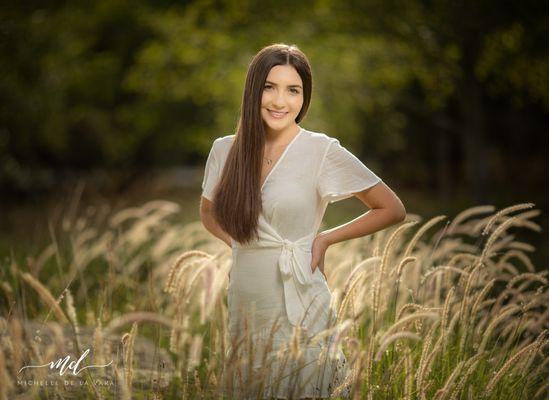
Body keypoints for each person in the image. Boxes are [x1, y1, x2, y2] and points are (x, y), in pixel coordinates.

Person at [199, 43, 406, 399]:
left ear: (304, 97)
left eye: (293, 90)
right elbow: (208, 211)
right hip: (248, 300)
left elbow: (390, 208)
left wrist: (324, 239)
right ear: (253, 91)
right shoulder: (225, 149)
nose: (280, 101)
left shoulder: (321, 150)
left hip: (300, 296)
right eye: (269, 87)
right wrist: (240, 245)